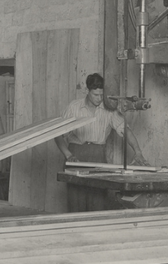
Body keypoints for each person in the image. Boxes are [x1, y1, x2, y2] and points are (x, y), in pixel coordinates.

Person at [55, 73, 147, 212]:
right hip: (76, 156)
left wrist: (138, 152)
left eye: (101, 95)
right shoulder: (74, 107)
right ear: (87, 91)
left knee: (97, 202)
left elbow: (125, 130)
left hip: (98, 156)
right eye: (95, 95)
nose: (99, 98)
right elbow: (57, 135)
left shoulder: (108, 109)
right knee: (76, 202)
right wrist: (68, 155)